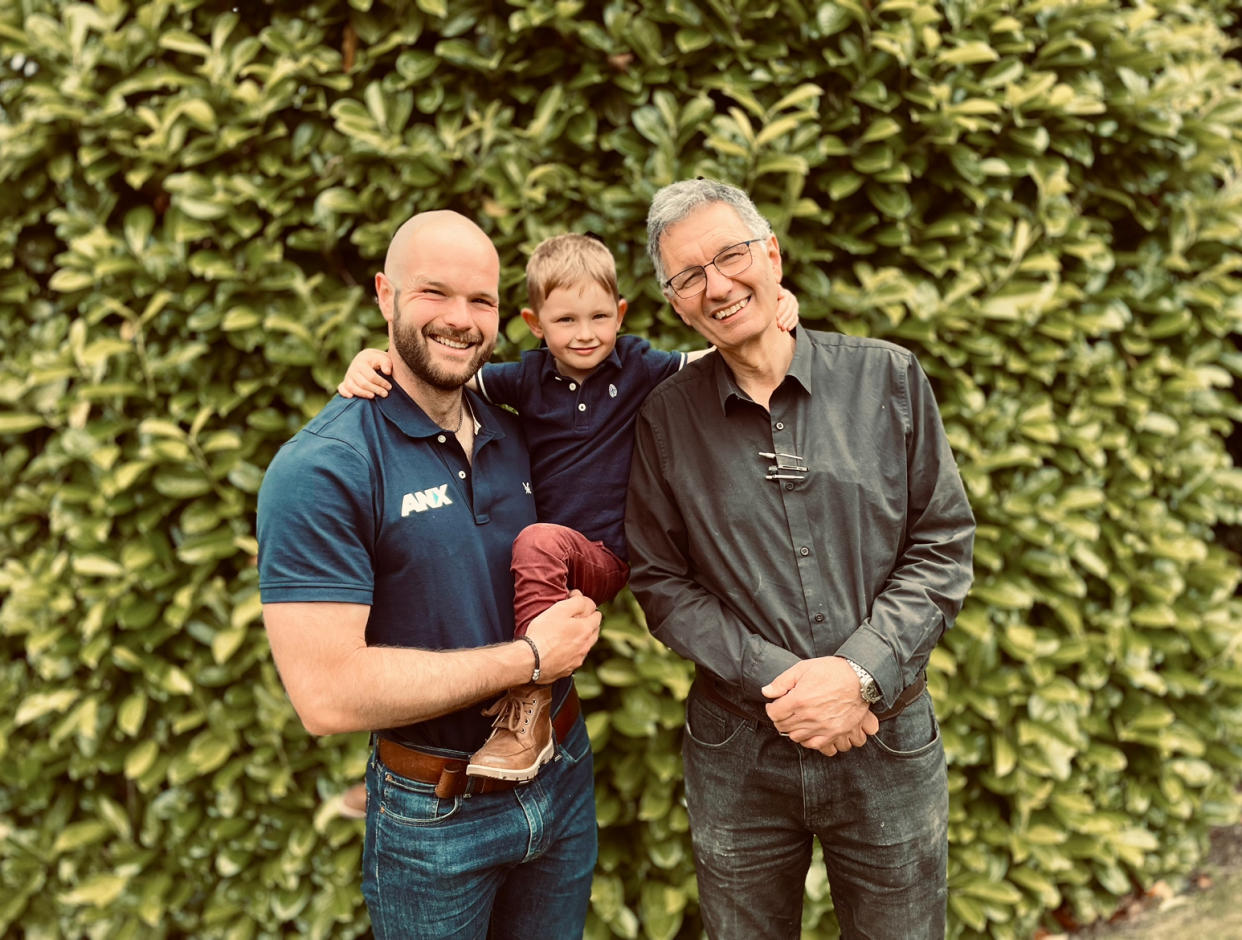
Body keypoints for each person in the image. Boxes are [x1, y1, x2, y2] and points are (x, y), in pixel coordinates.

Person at [625, 178, 976, 939]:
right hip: (738, 753)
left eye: (730, 256)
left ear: (772, 254)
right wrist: (786, 684)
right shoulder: (663, 418)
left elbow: (942, 542)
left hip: (886, 732)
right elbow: (659, 581)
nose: (716, 285)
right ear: (675, 304)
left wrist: (856, 675)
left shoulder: (888, 378)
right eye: (689, 276)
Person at [338, 232, 798, 784]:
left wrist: (776, 312)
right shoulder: (525, 378)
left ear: (621, 314)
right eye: (566, 322)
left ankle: (529, 706)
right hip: (545, 564)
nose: (585, 335)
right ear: (535, 324)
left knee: (535, 541)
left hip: (604, 552)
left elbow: (713, 355)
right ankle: (483, 722)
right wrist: (376, 360)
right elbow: (445, 372)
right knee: (518, 551)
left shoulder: (635, 367)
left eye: (599, 317)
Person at [256, 210, 603, 940]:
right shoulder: (323, 468)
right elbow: (325, 696)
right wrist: (531, 660)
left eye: (481, 301)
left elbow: (627, 377)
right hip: (435, 815)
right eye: (433, 294)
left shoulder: (517, 425)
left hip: (561, 773)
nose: (460, 319)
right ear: (385, 295)